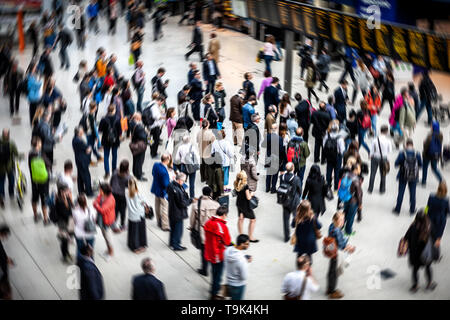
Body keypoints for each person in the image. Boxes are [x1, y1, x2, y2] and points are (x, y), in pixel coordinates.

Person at [403, 209, 438, 292]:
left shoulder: (413, 227)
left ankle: (415, 286)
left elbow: (406, 238)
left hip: (414, 254)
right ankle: (429, 283)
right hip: (426, 254)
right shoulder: (430, 226)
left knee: (415, 270)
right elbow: (435, 238)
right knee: (428, 268)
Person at [190, 186, 220, 276]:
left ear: (202, 193)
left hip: (202, 231)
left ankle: (204, 269)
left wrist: (192, 228)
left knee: (203, 251)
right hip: (213, 232)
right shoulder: (216, 204)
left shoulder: (196, 205)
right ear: (211, 193)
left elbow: (192, 220)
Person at [204, 205, 232, 300]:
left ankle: (213, 289)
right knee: (218, 276)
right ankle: (214, 294)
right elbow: (227, 241)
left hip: (209, 253)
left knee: (214, 273)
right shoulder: (222, 226)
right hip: (218, 255)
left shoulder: (208, 222)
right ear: (224, 214)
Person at [326, 212, 355, 299]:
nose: (343, 222)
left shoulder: (332, 226)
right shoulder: (337, 230)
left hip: (331, 251)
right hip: (335, 253)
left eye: (343, 219)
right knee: (334, 272)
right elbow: (342, 245)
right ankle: (332, 292)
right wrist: (349, 247)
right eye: (341, 220)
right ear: (336, 220)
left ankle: (330, 288)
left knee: (331, 270)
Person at [393, 139, 422, 215]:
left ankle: (397, 209)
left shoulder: (402, 153)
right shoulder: (417, 154)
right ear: (412, 145)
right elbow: (421, 165)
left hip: (403, 175)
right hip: (414, 177)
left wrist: (403, 165)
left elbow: (396, 164)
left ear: (406, 145)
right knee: (413, 193)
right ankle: (412, 209)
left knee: (401, 192)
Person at [167, 172, 193, 251]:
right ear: (179, 180)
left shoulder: (171, 185)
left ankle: (172, 242)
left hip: (171, 210)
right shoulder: (178, 190)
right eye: (183, 180)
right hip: (178, 213)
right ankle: (176, 245)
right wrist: (190, 200)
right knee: (178, 230)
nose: (184, 182)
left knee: (173, 228)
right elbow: (182, 203)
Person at [29, 136, 51, 224]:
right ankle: (45, 219)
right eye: (40, 143)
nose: (41, 144)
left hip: (34, 180)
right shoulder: (41, 154)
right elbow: (48, 164)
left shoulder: (30, 154)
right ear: (37, 144)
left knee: (34, 198)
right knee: (44, 199)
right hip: (44, 181)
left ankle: (35, 216)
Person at [279, 162, 302, 242]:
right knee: (297, 217)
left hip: (285, 200)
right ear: (293, 168)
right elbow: (299, 190)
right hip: (294, 201)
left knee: (285, 219)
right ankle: (298, 234)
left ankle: (286, 237)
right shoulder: (296, 179)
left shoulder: (282, 177)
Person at [224, 234, 251, 300]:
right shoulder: (242, 260)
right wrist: (248, 262)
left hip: (229, 282)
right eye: (247, 244)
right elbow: (244, 277)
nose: (248, 245)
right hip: (238, 286)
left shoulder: (228, 250)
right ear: (242, 244)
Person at [99, 104, 122, 179]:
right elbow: (120, 131)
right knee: (114, 155)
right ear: (114, 110)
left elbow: (100, 130)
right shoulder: (118, 119)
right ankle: (114, 170)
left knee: (106, 156)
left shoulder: (103, 119)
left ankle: (107, 172)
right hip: (115, 140)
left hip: (106, 140)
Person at [93, 183, 116, 261]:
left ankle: (111, 253)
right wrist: (97, 204)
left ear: (104, 191)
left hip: (107, 222)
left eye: (100, 190)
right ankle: (108, 250)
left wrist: (96, 205)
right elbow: (95, 202)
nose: (99, 191)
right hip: (101, 220)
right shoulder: (101, 196)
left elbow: (102, 210)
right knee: (105, 236)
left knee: (108, 237)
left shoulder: (110, 199)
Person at [234, 171, 258, 242]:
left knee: (241, 218)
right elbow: (248, 197)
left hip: (239, 203)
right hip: (245, 205)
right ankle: (250, 237)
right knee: (253, 220)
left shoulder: (236, 183)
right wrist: (252, 194)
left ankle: (241, 235)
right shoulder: (245, 186)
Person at [368, 125, 392, 194]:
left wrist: (370, 155)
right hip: (384, 158)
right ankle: (382, 189)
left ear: (380, 130)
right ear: (386, 132)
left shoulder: (375, 140)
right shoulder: (388, 141)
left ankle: (370, 189)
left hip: (375, 157)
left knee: (373, 174)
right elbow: (389, 151)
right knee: (383, 174)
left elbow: (372, 149)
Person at [263, 123, 286, 194]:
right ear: (276, 129)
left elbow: (264, 145)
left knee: (268, 173)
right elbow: (282, 150)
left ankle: (267, 188)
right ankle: (273, 189)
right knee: (275, 174)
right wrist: (283, 158)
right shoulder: (280, 138)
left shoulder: (268, 136)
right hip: (276, 158)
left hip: (269, 157)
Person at [426, 182, 449, 253]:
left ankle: (428, 251)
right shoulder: (446, 200)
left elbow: (427, 207)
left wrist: (425, 214)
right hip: (441, 221)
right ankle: (436, 253)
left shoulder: (431, 196)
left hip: (430, 218)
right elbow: (448, 211)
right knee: (438, 238)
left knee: (429, 235)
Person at [126, 178, 147, 253]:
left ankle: (131, 245)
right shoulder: (138, 193)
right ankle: (138, 247)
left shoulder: (127, 192)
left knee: (132, 231)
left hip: (131, 215)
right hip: (139, 214)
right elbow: (144, 202)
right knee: (139, 232)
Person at [323, 120, 345, 192]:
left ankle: (328, 186)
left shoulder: (327, 136)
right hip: (337, 156)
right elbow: (342, 149)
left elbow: (324, 146)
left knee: (329, 171)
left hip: (329, 156)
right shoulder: (340, 138)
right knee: (337, 172)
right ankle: (336, 188)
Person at [151, 153, 171, 231]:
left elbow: (153, 173)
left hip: (156, 189)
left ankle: (159, 221)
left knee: (157, 206)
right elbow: (166, 184)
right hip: (163, 192)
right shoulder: (164, 172)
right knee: (165, 208)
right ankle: (165, 225)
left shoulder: (156, 165)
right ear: (167, 160)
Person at [341, 163, 362, 236]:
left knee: (345, 212)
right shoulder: (356, 179)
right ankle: (348, 231)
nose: (360, 170)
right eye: (359, 168)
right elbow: (359, 194)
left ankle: (340, 226)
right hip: (353, 201)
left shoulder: (345, 175)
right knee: (351, 216)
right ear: (355, 170)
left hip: (345, 198)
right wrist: (360, 204)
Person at [110, 160, 131, 232]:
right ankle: (122, 224)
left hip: (113, 193)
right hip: (121, 195)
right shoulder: (127, 177)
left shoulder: (115, 172)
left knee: (115, 208)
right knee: (122, 210)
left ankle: (113, 222)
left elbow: (111, 181)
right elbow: (128, 186)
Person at [0, 129, 19, 209]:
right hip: (10, 166)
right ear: (8, 135)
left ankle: (1, 195)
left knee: (1, 182)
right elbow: (16, 154)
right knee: (11, 180)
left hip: (0, 168)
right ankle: (11, 193)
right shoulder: (11, 143)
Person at [422, 121, 443, 186]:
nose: (431, 127)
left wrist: (423, 152)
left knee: (425, 167)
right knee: (434, 168)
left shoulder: (430, 135)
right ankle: (441, 180)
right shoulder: (440, 135)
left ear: (433, 127)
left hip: (428, 154)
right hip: (436, 155)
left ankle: (424, 181)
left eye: (432, 126)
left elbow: (426, 145)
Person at [0, 225, 13, 300]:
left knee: (7, 292)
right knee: (7, 293)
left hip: (3, 274)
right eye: (6, 235)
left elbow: (2, 251)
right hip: (2, 275)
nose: (6, 238)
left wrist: (6, 258)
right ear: (3, 233)